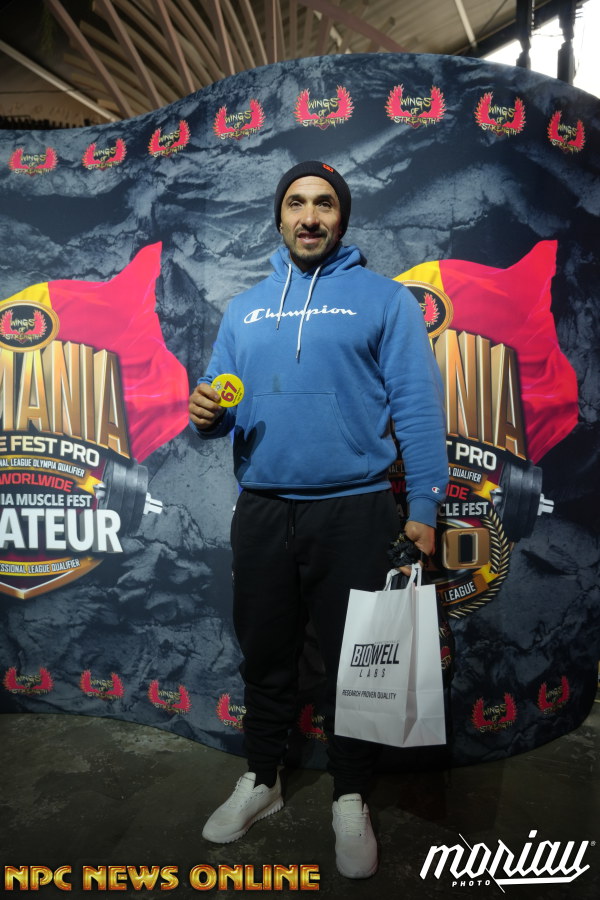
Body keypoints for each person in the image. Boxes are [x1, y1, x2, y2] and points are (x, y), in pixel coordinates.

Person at [188, 160, 448, 878]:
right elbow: (220, 401)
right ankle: (262, 778)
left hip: (356, 509)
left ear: (342, 217)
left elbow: (418, 408)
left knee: (357, 665)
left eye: (325, 204)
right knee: (265, 654)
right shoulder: (244, 309)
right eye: (297, 203)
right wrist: (207, 411)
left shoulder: (385, 301)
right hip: (264, 509)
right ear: (279, 217)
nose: (310, 216)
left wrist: (425, 507)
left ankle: (351, 794)